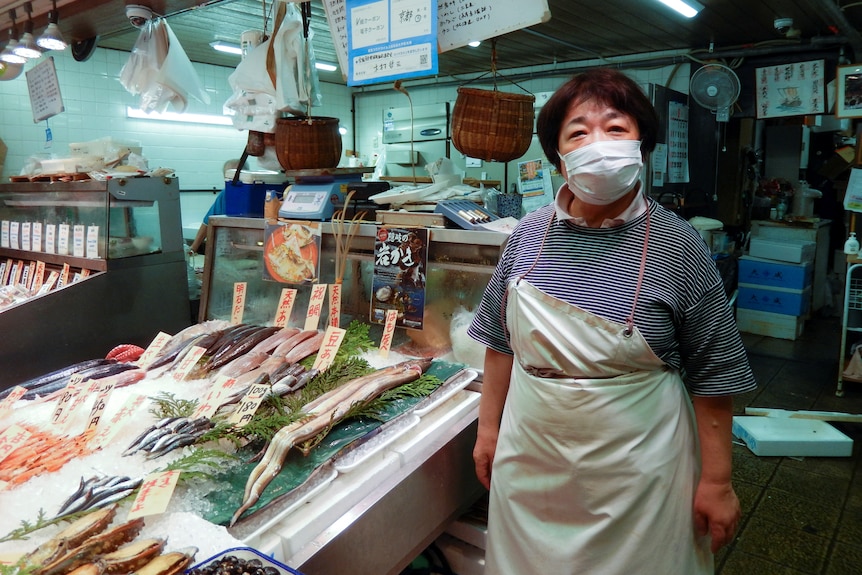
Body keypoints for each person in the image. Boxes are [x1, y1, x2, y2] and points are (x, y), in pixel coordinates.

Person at [466, 68, 756, 575]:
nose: (598, 142)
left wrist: (717, 482)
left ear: (642, 145)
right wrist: (488, 431)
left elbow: (716, 376)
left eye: (616, 128)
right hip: (531, 450)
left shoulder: (680, 246)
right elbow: (498, 343)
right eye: (578, 131)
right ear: (558, 159)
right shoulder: (526, 236)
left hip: (639, 470)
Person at [189, 158, 246, 254]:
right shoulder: (225, 195)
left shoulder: (255, 194)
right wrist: (193, 248)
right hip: (228, 249)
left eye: (235, 176)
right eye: (228, 177)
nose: (232, 181)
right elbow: (208, 222)